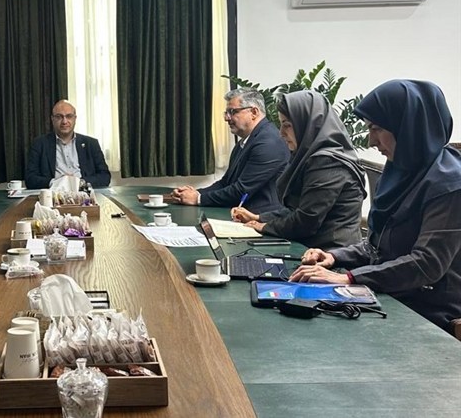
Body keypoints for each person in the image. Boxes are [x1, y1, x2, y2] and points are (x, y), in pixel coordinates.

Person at [290, 80, 461, 334]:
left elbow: (427, 264)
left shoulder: (450, 184)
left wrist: (349, 278)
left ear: (409, 127)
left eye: (377, 128)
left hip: (427, 314)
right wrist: (335, 256)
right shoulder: (398, 173)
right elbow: (377, 246)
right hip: (391, 296)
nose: (371, 141)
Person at [230, 90, 365, 249]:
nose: (281, 133)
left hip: (330, 253)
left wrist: (264, 226)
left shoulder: (328, 162)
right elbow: (297, 209)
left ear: (308, 124)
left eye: (287, 125)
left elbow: (306, 221)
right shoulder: (308, 156)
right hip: (309, 246)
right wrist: (258, 218)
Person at [171, 88, 289, 213]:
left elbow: (241, 190)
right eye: (226, 113)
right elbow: (225, 183)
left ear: (254, 112)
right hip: (242, 214)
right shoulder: (246, 141)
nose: (227, 118)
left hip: (261, 217)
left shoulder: (269, 142)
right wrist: (192, 193)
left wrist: (198, 199)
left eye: (233, 112)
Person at [25, 100, 111, 189]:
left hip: (83, 192)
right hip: (54, 193)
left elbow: (105, 176)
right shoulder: (39, 144)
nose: (64, 121)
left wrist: (79, 182)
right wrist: (56, 182)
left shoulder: (91, 144)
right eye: (59, 117)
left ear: (75, 119)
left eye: (69, 116)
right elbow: (30, 178)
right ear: (52, 119)